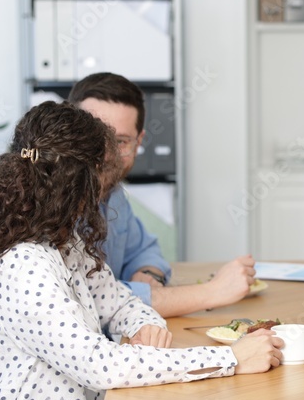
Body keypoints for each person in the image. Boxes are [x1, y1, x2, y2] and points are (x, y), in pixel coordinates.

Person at [0, 101, 283, 400]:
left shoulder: (62, 239)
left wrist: (145, 324)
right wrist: (230, 358)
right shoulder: (22, 264)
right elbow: (99, 365)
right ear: (82, 182)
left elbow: (119, 300)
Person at [67, 72, 255, 317]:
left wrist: (147, 273)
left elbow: (144, 249)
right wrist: (214, 291)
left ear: (139, 142)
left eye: (121, 141)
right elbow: (90, 303)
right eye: (94, 138)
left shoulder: (112, 193)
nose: (106, 154)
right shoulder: (51, 205)